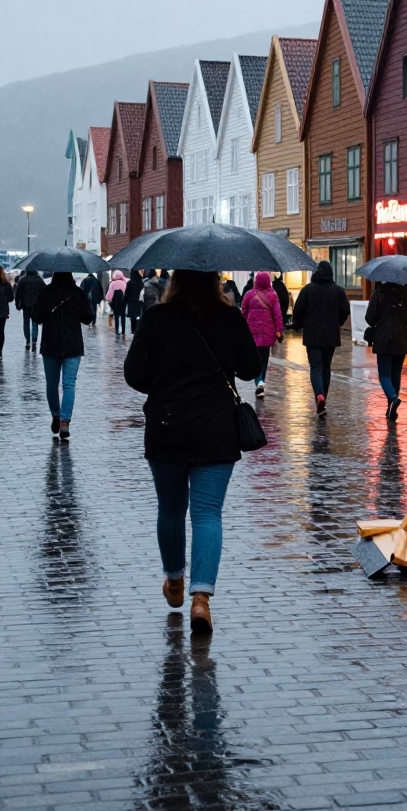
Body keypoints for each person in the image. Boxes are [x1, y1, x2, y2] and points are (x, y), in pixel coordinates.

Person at [124, 269, 261, 634]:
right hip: (216, 430)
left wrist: (165, 384)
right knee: (207, 514)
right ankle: (201, 599)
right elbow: (251, 368)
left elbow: (133, 374)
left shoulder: (156, 317)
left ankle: (174, 582)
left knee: (170, 510)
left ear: (176, 281)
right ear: (215, 280)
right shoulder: (229, 316)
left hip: (167, 428)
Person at [31, 272, 94, 439]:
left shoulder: (46, 292)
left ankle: (56, 415)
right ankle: (65, 421)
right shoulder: (78, 292)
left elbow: (36, 317)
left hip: (50, 343)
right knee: (69, 384)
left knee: (52, 384)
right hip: (72, 344)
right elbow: (88, 318)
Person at [292, 261, 350, 416]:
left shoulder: (308, 290)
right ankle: (323, 399)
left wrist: (298, 324)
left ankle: (319, 395)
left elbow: (297, 310)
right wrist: (338, 323)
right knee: (326, 367)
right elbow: (345, 309)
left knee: (315, 367)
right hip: (331, 335)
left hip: (312, 334)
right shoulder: (337, 290)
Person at [365, 281, 407, 419]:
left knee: (384, 375)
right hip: (402, 338)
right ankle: (391, 408)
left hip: (384, 338)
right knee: (395, 374)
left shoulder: (379, 294)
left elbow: (370, 318)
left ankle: (393, 399)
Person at [241, 272, 283, 397]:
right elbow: (277, 315)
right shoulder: (273, 295)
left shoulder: (249, 294)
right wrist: (279, 330)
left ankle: (259, 382)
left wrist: (242, 328)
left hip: (252, 332)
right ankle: (261, 382)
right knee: (264, 359)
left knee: (255, 359)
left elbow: (243, 312)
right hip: (267, 332)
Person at [14, 267, 44, 351]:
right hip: (36, 306)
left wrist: (17, 305)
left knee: (26, 323)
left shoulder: (22, 280)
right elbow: (45, 292)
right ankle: (34, 341)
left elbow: (17, 293)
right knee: (35, 323)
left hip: (25, 305)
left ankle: (27, 341)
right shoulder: (39, 280)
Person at [0, 262, 14, 355]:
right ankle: (0, 349)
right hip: (3, 311)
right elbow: (11, 298)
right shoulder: (6, 284)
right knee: (1, 331)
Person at [105, 270, 129, 338]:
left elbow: (109, 295)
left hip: (115, 303)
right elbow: (126, 293)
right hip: (122, 303)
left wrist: (108, 299)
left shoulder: (112, 284)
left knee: (116, 316)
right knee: (123, 317)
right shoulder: (124, 283)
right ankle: (123, 331)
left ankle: (117, 330)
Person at [125, 269, 144, 334]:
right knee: (139, 316)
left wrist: (125, 300)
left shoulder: (129, 283)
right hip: (139, 302)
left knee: (132, 318)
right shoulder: (141, 282)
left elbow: (126, 293)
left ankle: (133, 331)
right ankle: (139, 330)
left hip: (131, 303)